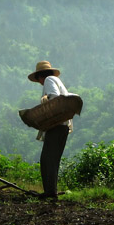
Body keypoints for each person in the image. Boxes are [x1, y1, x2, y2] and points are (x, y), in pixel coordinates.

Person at [28, 60, 71, 198]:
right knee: (52, 159)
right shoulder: (55, 80)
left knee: (47, 160)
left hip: (56, 125)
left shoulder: (49, 80)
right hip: (63, 126)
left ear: (40, 76)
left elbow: (54, 96)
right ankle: (51, 190)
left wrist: (46, 104)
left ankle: (50, 193)